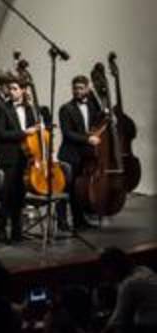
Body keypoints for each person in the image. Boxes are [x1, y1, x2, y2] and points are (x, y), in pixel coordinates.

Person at [0, 74, 34, 244]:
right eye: (10, 89)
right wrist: (24, 133)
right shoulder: (2, 108)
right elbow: (2, 133)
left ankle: (17, 231)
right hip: (9, 157)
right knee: (5, 196)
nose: (11, 92)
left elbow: (38, 127)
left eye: (15, 89)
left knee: (20, 196)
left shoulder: (30, 109)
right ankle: (0, 230)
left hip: (26, 158)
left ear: (23, 91)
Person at [57, 75, 103, 231]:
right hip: (69, 155)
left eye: (81, 88)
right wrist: (88, 138)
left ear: (87, 89)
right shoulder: (66, 109)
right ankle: (62, 222)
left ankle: (80, 221)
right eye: (75, 88)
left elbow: (99, 121)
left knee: (78, 191)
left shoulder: (92, 106)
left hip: (85, 155)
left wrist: (111, 117)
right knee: (66, 189)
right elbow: (68, 133)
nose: (77, 91)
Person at [100, 247, 157, 333]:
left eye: (106, 270)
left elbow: (116, 321)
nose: (105, 274)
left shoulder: (128, 284)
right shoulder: (144, 270)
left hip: (151, 328)